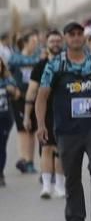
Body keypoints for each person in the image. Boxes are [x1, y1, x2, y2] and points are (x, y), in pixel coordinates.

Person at [35, 22, 91, 221]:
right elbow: (41, 97)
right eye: (71, 34)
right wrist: (41, 125)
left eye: (79, 34)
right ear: (65, 38)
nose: (76, 37)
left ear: (84, 37)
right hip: (67, 131)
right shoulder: (56, 65)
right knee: (71, 176)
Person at [24, 31, 66, 199]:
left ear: (62, 42)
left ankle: (60, 186)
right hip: (45, 112)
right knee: (46, 148)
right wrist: (27, 115)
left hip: (64, 112)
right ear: (46, 44)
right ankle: (47, 186)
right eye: (52, 41)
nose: (55, 43)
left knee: (61, 149)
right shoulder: (40, 65)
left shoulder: (67, 63)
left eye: (58, 40)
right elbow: (32, 91)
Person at [10, 31, 41, 174]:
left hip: (34, 97)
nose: (36, 45)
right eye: (33, 42)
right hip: (19, 97)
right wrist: (13, 88)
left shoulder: (38, 57)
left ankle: (30, 160)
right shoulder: (15, 58)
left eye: (36, 42)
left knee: (33, 130)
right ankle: (24, 159)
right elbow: (7, 74)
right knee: (23, 129)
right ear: (26, 42)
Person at [0, 55, 21, 186]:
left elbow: (17, 94)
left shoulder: (7, 79)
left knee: (1, 146)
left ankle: (0, 173)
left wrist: (12, 90)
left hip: (4, 118)